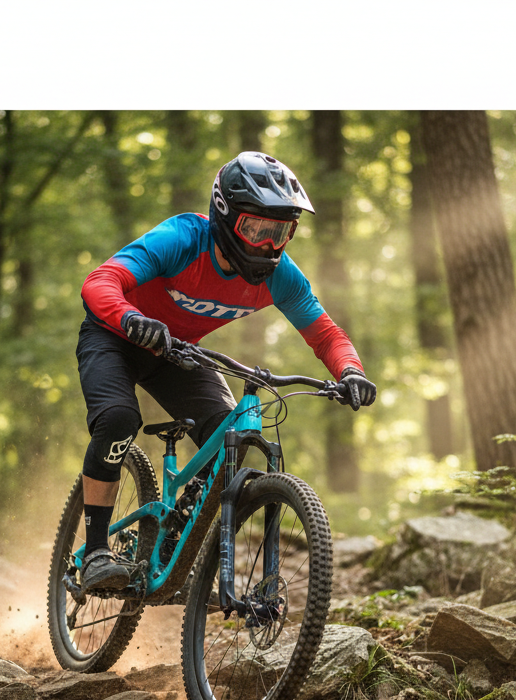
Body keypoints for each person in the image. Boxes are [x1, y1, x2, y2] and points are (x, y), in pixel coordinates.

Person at [76, 150, 377, 590]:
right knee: (119, 420)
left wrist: (350, 371)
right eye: (256, 229)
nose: (267, 245)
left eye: (280, 233)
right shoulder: (182, 239)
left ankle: (174, 542)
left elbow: (327, 335)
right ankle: (96, 552)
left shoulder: (281, 276)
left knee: (227, 440)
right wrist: (130, 318)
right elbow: (99, 282)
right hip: (113, 336)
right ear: (224, 215)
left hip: (175, 352)